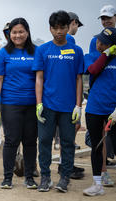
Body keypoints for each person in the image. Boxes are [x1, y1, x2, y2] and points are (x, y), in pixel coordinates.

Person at [33, 10, 84, 193]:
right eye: (55, 28)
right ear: (50, 29)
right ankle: (45, 177)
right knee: (45, 141)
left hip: (69, 107)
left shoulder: (76, 51)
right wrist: (39, 103)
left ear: (68, 27)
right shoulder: (43, 50)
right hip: (47, 105)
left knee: (68, 142)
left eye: (62, 27)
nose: (59, 32)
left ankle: (64, 178)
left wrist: (78, 105)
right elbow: (39, 78)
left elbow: (79, 79)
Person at [0, 18, 37, 189]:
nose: (17, 35)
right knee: (11, 140)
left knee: (31, 140)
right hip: (10, 103)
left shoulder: (36, 52)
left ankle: (30, 177)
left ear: (27, 32)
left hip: (32, 104)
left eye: (21, 32)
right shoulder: (4, 53)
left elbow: (41, 78)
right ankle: (7, 177)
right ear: (10, 34)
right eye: (14, 32)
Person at [83, 28, 116, 196]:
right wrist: (106, 54)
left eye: (104, 42)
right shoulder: (93, 55)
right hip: (95, 108)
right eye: (99, 40)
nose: (99, 44)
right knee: (97, 146)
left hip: (113, 110)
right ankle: (97, 184)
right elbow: (93, 70)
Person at [55, 12, 85, 179]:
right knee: (69, 134)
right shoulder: (70, 41)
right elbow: (75, 75)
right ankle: (66, 164)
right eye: (76, 25)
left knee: (67, 135)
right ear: (72, 22)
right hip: (70, 97)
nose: (76, 29)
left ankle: (65, 163)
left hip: (61, 97)